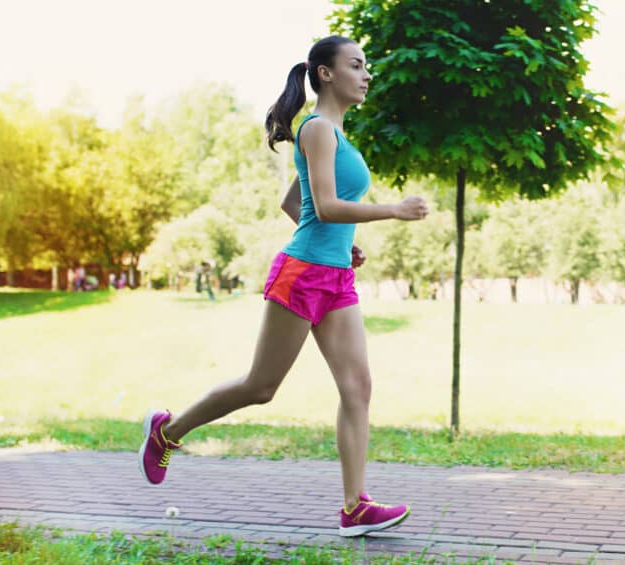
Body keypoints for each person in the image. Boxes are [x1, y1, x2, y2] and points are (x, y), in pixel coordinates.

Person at [138, 35, 428, 538]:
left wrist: (344, 244)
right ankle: (168, 430)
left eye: (367, 68)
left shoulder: (335, 135)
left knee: (358, 387)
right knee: (261, 387)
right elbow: (328, 204)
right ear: (326, 74)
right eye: (356, 66)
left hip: (335, 275)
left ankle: (354, 506)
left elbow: (297, 204)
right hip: (302, 274)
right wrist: (393, 211)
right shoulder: (316, 129)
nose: (367, 75)